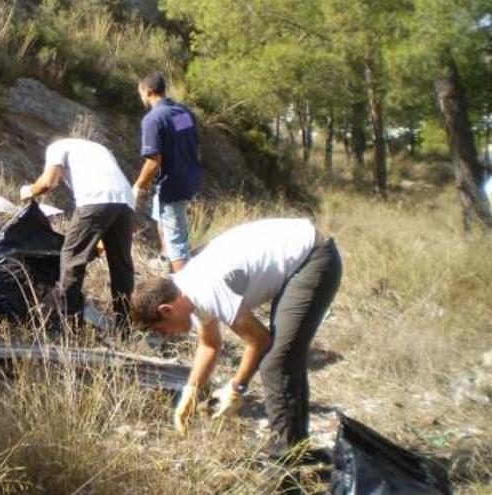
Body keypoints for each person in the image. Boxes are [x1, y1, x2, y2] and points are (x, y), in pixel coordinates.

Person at [131, 218, 342, 459]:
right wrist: (190, 392)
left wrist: (236, 387)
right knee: (285, 357)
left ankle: (284, 470)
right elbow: (209, 345)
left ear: (166, 310)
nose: (167, 336)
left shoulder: (203, 289)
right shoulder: (186, 290)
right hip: (303, 255)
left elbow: (259, 340)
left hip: (313, 257)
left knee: (276, 362)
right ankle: (297, 450)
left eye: (161, 330)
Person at [20, 136, 135, 331]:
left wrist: (29, 191)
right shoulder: (98, 147)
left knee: (72, 258)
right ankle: (124, 328)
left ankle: (63, 324)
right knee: (121, 266)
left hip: (95, 200)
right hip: (126, 203)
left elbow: (48, 182)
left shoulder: (57, 147)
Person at [132, 72, 202, 273]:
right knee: (161, 216)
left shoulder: (153, 119)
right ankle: (165, 259)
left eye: (141, 94)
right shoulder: (182, 113)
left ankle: (184, 288)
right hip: (188, 177)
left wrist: (138, 186)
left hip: (173, 184)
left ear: (147, 92)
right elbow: (183, 138)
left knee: (176, 239)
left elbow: (154, 161)